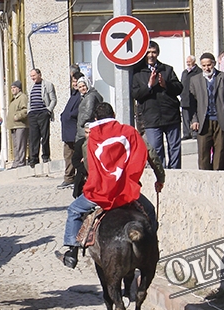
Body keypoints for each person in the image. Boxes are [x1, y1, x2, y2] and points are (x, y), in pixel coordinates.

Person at [57, 102, 161, 269]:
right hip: (125, 191)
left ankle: (72, 252)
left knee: (74, 210)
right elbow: (151, 154)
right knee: (149, 211)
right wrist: (160, 178)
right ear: (113, 115)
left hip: (100, 193)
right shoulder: (129, 132)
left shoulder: (91, 139)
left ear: (96, 118)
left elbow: (90, 168)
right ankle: (152, 248)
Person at [132, 40, 183, 169]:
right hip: (151, 117)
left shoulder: (167, 69)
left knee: (174, 148)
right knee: (156, 149)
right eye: (148, 52)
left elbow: (179, 88)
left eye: (154, 52)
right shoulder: (138, 72)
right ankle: (161, 175)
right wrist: (149, 85)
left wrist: (166, 85)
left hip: (170, 115)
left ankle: (175, 173)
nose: (151, 55)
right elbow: (135, 94)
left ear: (158, 53)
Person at [189, 52, 224, 170]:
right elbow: (192, 103)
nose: (206, 68)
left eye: (209, 65)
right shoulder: (195, 80)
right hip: (203, 121)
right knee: (203, 154)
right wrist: (194, 120)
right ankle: (205, 178)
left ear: (214, 64)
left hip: (220, 120)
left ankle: (217, 176)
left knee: (219, 152)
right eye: (203, 66)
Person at [27, 68, 57, 168]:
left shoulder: (47, 85)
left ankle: (45, 156)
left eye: (34, 76)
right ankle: (34, 158)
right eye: (31, 76)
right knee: (33, 137)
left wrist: (48, 110)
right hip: (33, 113)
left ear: (39, 74)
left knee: (45, 135)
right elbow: (29, 100)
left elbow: (53, 99)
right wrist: (29, 111)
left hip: (43, 112)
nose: (32, 78)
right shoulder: (31, 87)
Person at [58, 72, 83, 188]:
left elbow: (80, 111)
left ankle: (73, 178)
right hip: (68, 132)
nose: (74, 84)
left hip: (74, 132)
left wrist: (70, 116)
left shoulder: (81, 96)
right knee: (68, 155)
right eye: (73, 81)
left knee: (74, 156)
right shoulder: (73, 95)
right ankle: (69, 177)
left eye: (76, 81)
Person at [8, 80, 29, 169]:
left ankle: (21, 162)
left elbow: (25, 110)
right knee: (16, 145)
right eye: (11, 88)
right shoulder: (14, 99)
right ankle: (16, 162)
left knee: (20, 144)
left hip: (20, 124)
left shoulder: (22, 97)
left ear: (19, 88)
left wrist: (18, 116)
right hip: (13, 125)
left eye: (14, 87)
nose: (12, 89)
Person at [181, 55, 201, 140]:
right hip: (185, 97)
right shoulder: (185, 72)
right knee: (185, 117)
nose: (188, 63)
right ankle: (186, 133)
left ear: (194, 61)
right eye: (187, 61)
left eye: (189, 61)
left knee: (195, 116)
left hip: (195, 98)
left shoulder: (198, 71)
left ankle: (195, 132)